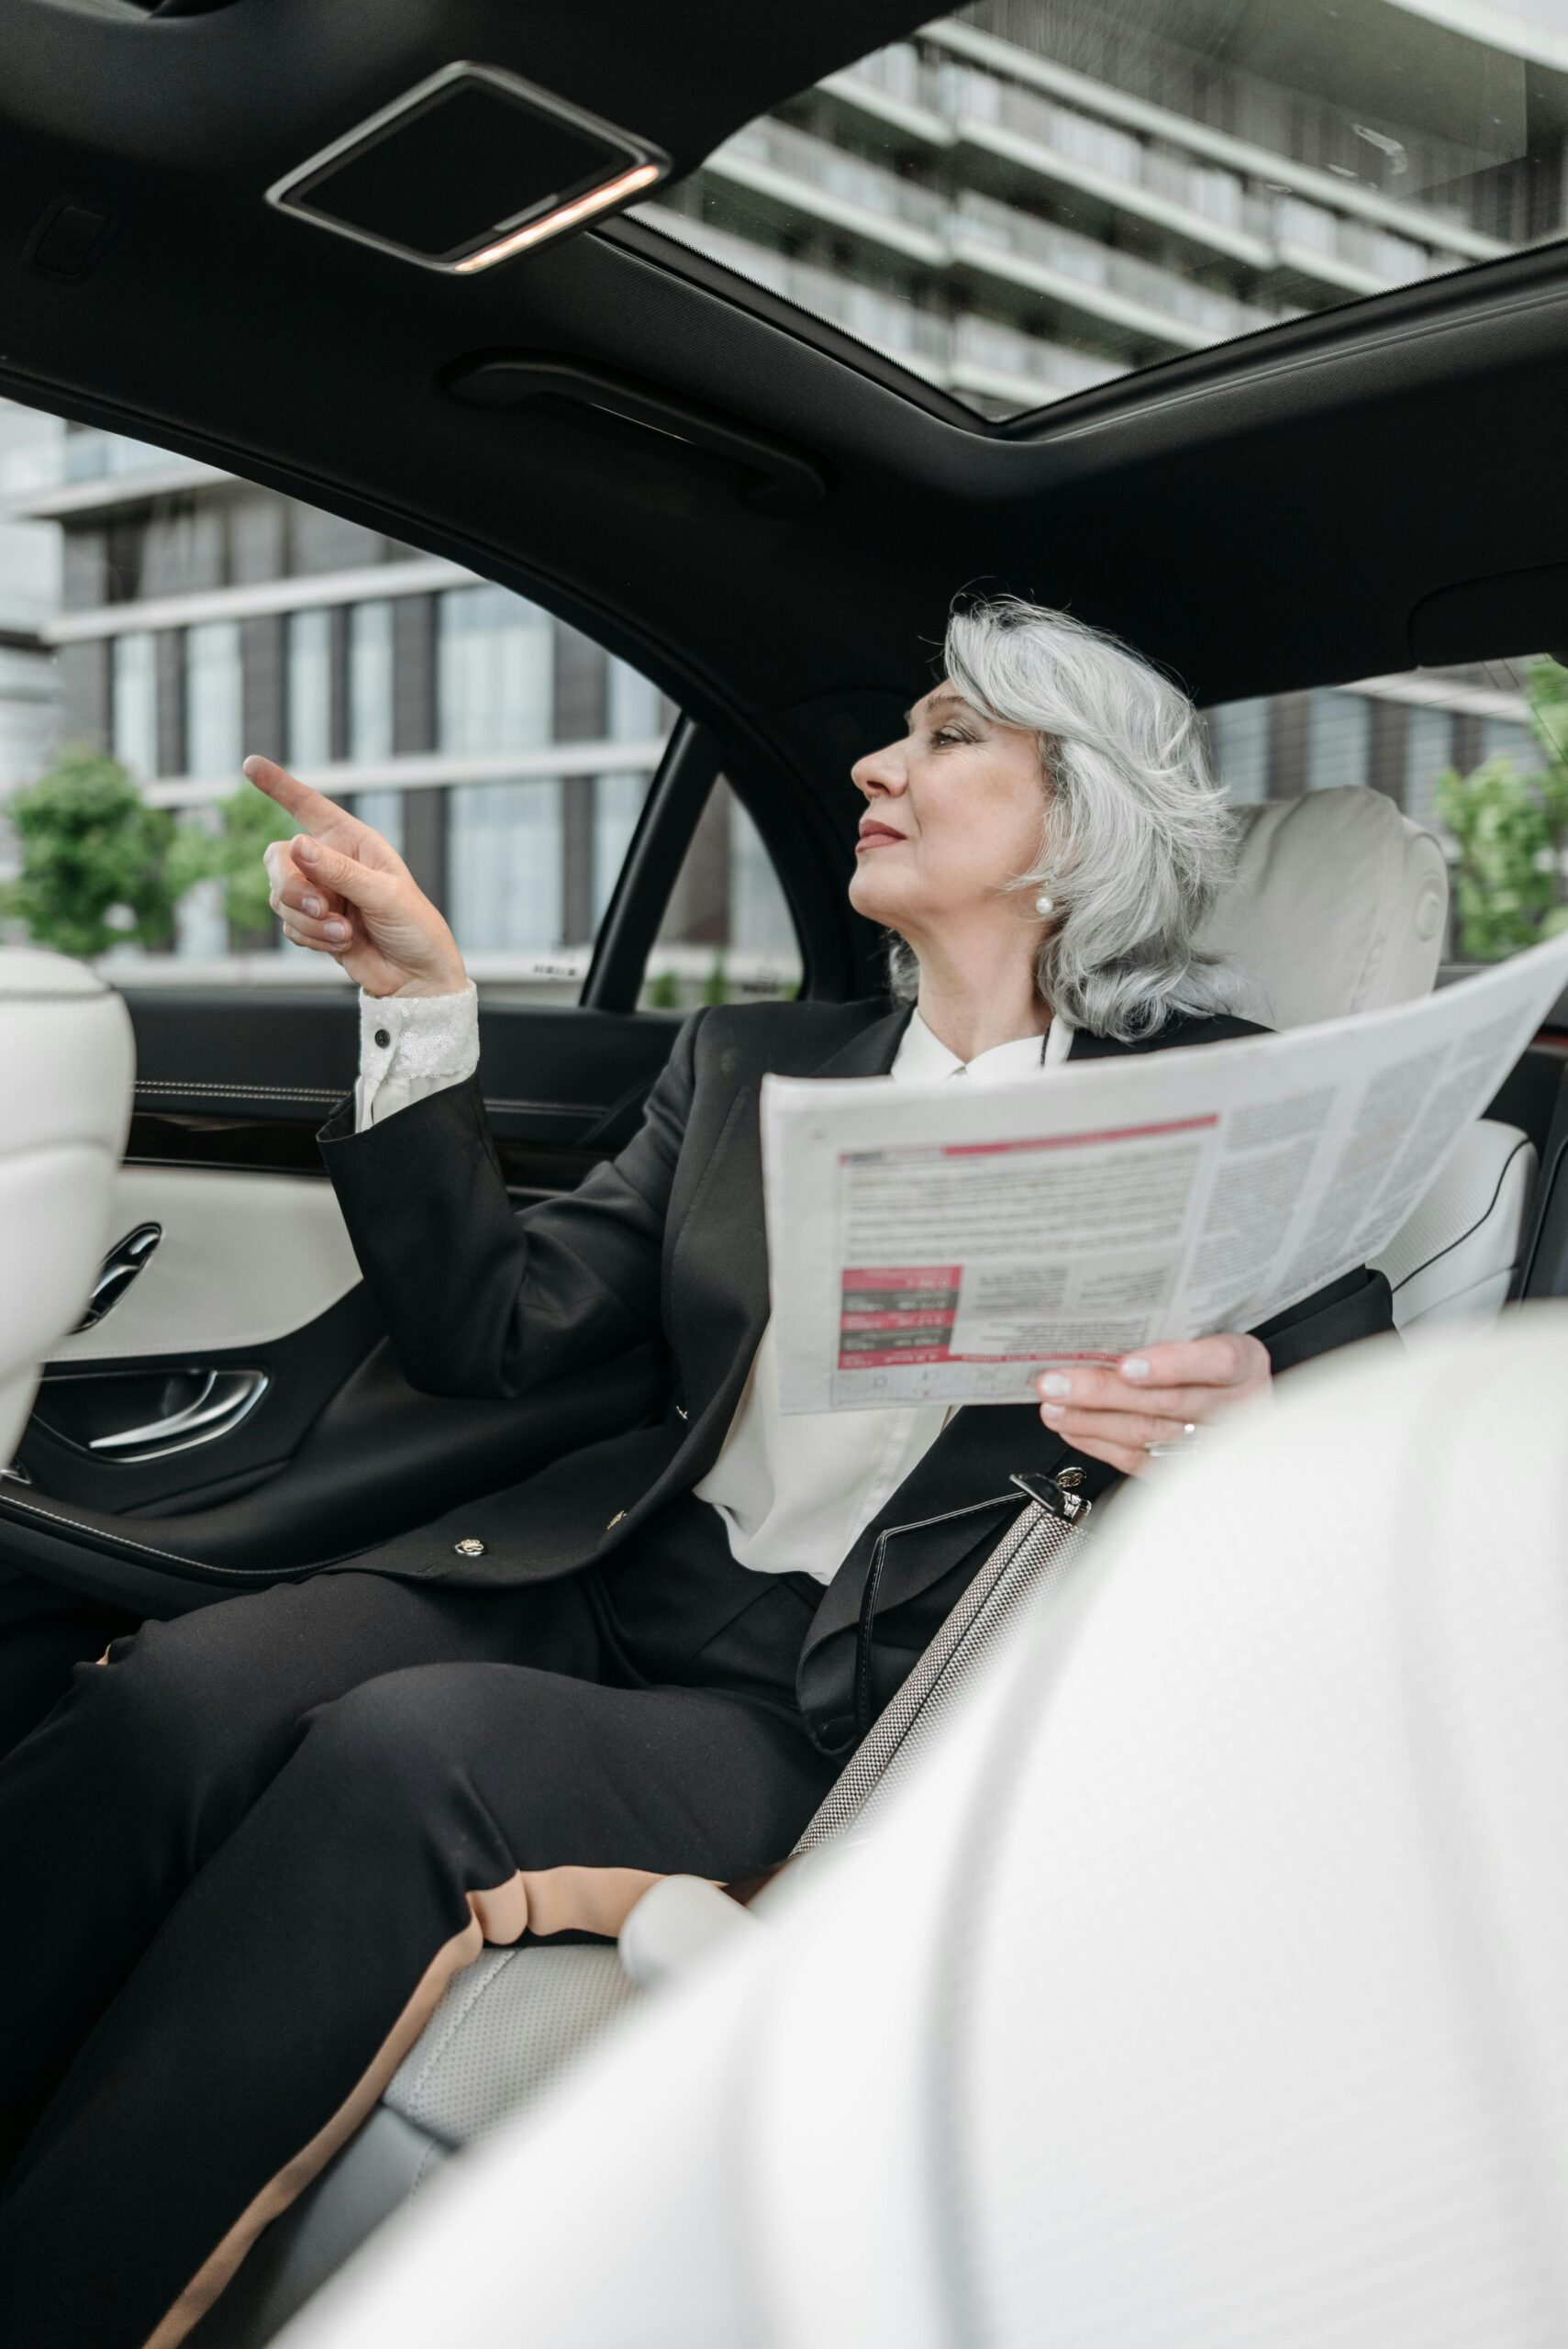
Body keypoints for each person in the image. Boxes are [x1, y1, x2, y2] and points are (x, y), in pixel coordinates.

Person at [0, 597, 1392, 2348]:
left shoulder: (1224, 1107)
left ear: (1083, 819)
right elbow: (493, 1338)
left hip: (841, 1702)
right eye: (899, 726)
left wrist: (1256, 1413)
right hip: (605, 1582)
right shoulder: (749, 1063)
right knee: (175, 1702)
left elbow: (1362, 1411)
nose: (878, 766)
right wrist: (425, 1007)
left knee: (401, 1759)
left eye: (952, 735)